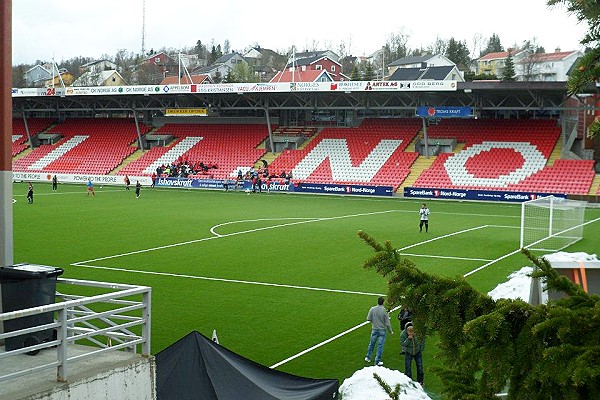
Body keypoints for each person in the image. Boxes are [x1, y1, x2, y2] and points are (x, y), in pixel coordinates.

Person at [364, 296, 393, 366]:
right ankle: (377, 361)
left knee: (371, 343)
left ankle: (368, 357)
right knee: (380, 346)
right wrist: (391, 331)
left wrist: (374, 322)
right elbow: (387, 323)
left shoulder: (372, 309)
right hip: (382, 330)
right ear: (383, 302)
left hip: (374, 329)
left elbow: (368, 319)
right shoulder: (384, 311)